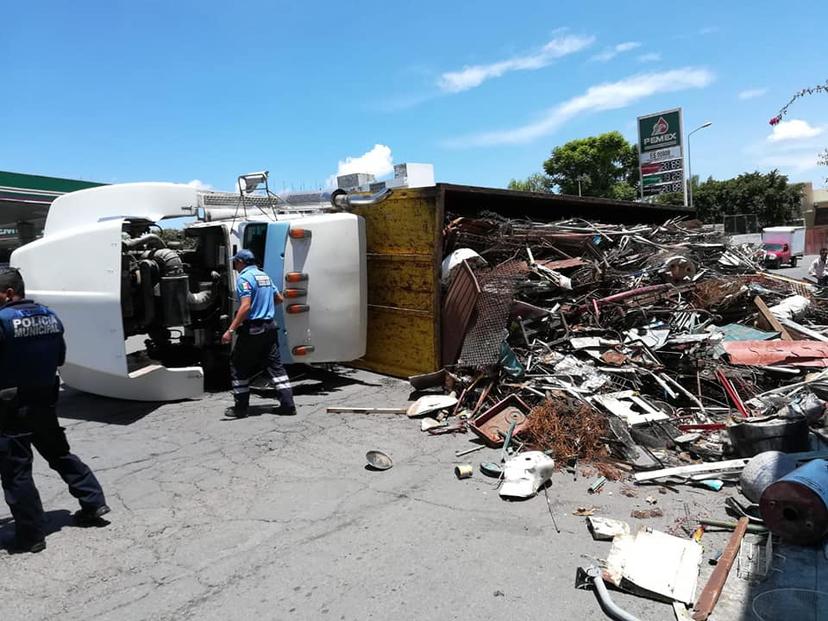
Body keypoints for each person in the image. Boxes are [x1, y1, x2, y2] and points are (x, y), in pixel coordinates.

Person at [0, 268, 109, 553]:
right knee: (59, 453)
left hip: (10, 407)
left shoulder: (2, 321)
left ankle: (31, 535)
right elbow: (60, 356)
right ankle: (94, 502)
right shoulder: (49, 316)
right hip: (45, 400)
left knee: (16, 471)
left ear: (10, 292)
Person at [222, 250, 296, 418]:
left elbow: (245, 306)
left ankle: (240, 408)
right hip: (270, 327)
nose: (234, 265)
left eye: (235, 262)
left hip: (253, 329)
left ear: (241, 261)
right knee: (275, 366)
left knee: (238, 365)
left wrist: (231, 330)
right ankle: (288, 405)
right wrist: (265, 309)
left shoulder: (244, 278)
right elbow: (279, 298)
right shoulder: (264, 276)